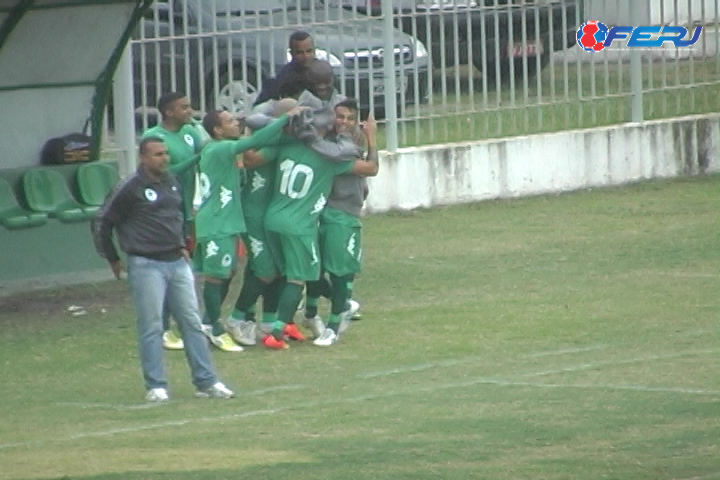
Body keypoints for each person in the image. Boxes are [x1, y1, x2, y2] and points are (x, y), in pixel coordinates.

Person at [92, 136, 234, 402]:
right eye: (158, 154)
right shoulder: (129, 187)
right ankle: (155, 385)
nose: (164, 158)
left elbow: (176, 216)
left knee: (191, 321)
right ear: (143, 158)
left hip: (176, 262)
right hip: (146, 264)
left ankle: (206, 382)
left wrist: (181, 244)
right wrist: (112, 257)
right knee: (152, 324)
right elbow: (102, 220)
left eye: (166, 153)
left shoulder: (172, 182)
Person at [242, 103, 380, 349]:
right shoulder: (330, 157)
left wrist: (259, 133)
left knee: (297, 273)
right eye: (336, 118)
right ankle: (278, 331)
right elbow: (371, 168)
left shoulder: (286, 144)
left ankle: (307, 316)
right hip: (300, 224)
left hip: (272, 219)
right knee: (301, 277)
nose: (338, 123)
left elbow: (250, 158)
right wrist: (372, 139)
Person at [194, 109, 299, 352]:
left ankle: (214, 322)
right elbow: (256, 142)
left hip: (227, 221)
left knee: (228, 273)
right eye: (230, 121)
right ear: (218, 130)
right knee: (216, 276)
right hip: (216, 223)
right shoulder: (221, 148)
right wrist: (287, 117)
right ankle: (215, 326)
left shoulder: (220, 148)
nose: (237, 123)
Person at [142, 92, 204, 351]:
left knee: (185, 269)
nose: (190, 111)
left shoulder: (191, 133)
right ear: (169, 112)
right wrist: (198, 158)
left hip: (188, 211)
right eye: (184, 107)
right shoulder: (153, 137)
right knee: (168, 269)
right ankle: (165, 329)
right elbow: (165, 172)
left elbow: (206, 158)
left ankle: (184, 324)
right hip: (165, 215)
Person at [303, 98, 369, 340]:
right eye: (340, 117)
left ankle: (333, 325)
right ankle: (314, 311)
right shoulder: (327, 140)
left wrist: (372, 140)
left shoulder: (349, 146)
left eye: (350, 118)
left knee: (340, 270)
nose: (344, 122)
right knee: (313, 268)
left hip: (343, 212)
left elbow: (371, 168)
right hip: (318, 210)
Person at [254, 30, 318, 106]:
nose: (305, 56)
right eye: (300, 53)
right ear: (291, 53)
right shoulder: (284, 76)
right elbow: (261, 106)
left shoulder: (323, 71)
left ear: (314, 50)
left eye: (309, 51)